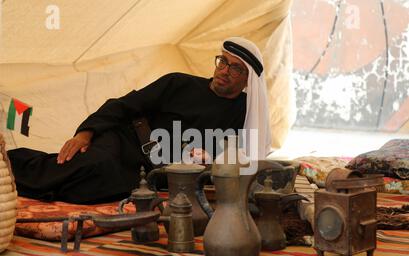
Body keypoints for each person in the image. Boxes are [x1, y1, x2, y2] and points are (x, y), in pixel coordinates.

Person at [7, 37, 272, 204]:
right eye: (222, 62)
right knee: (87, 166)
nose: (224, 71)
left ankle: (22, 190)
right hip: (126, 141)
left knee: (92, 192)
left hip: (156, 173)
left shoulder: (245, 114)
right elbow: (122, 105)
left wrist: (209, 161)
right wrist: (84, 134)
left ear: (249, 79)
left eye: (235, 68)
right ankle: (7, 166)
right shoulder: (179, 83)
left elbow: (235, 158)